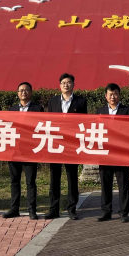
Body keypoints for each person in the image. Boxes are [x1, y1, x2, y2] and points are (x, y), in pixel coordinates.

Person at [46, 73, 87, 220]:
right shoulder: (53, 101)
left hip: (71, 145)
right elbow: (48, 121)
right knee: (54, 178)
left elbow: (84, 123)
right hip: (56, 143)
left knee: (72, 177)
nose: (66, 85)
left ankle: (72, 208)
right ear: (60, 85)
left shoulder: (80, 102)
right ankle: (54, 208)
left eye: (69, 82)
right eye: (63, 82)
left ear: (73, 85)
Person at [4, 82, 43, 219]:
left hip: (30, 150)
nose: (23, 92)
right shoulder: (12, 110)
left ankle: (32, 210)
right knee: (14, 181)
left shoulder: (38, 109)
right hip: (14, 150)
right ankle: (14, 208)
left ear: (31, 93)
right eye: (21, 90)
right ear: (17, 93)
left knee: (30, 182)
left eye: (26, 90)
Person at [96, 83, 129, 222]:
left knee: (123, 184)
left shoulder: (126, 111)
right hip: (104, 152)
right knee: (105, 184)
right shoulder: (100, 111)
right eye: (110, 94)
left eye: (115, 93)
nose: (113, 96)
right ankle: (106, 211)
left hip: (121, 153)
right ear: (106, 96)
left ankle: (124, 212)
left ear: (119, 95)